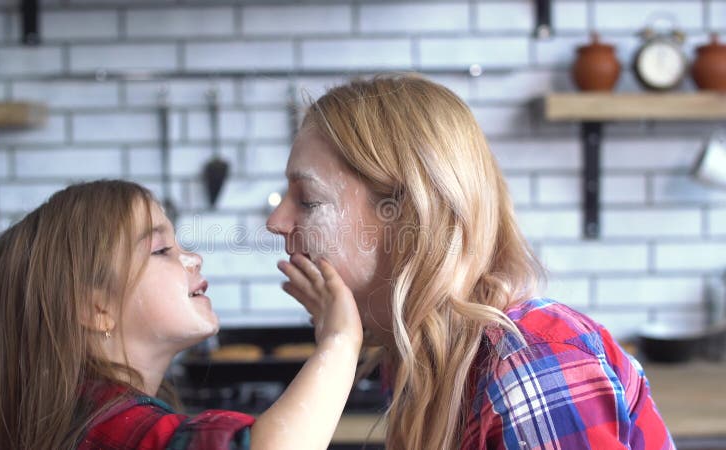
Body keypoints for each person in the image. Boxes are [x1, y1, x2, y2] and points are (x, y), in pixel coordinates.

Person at [266, 73, 675, 450]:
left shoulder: (529, 362)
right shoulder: (415, 359)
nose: (276, 222)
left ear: (410, 216)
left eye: (309, 199)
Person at [0, 179, 363, 450]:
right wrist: (340, 341)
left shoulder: (87, 413)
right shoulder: (113, 429)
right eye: (162, 250)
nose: (193, 258)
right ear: (96, 309)